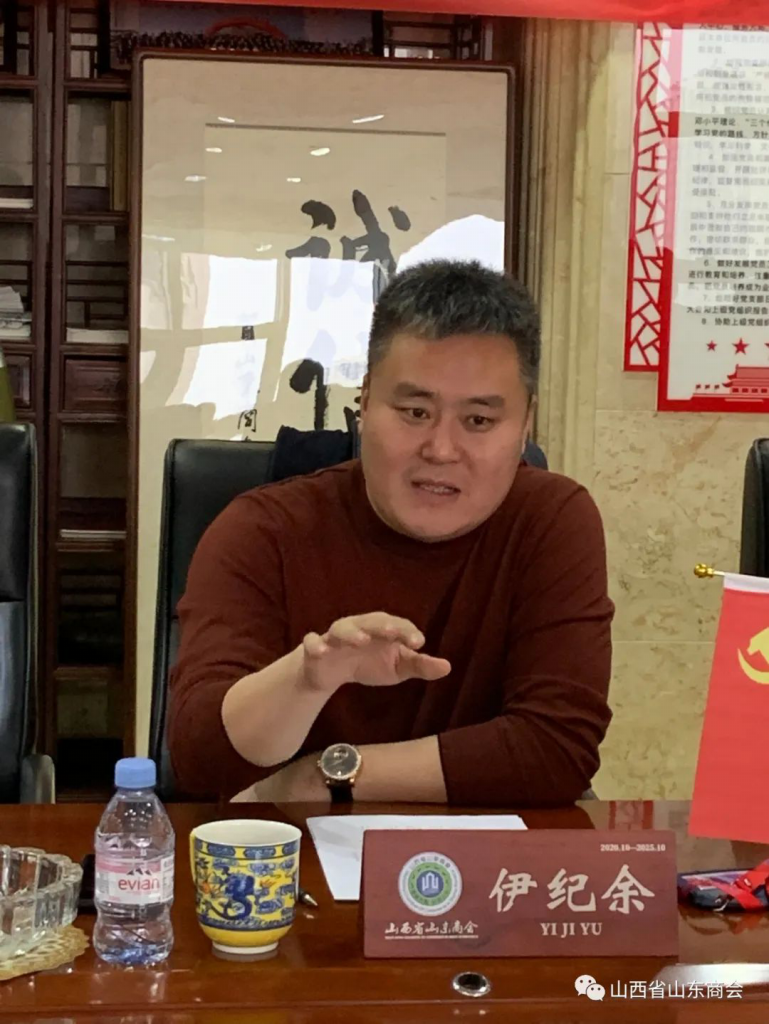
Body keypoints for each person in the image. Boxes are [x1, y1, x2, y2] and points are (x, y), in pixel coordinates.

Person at [167, 260, 613, 806]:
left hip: (491, 854)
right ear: (364, 403)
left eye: (478, 421)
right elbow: (199, 758)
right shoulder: (261, 530)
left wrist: (327, 777)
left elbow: (557, 747)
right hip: (291, 850)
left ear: (525, 425)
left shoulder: (551, 519)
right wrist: (307, 680)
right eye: (415, 412)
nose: (441, 450)